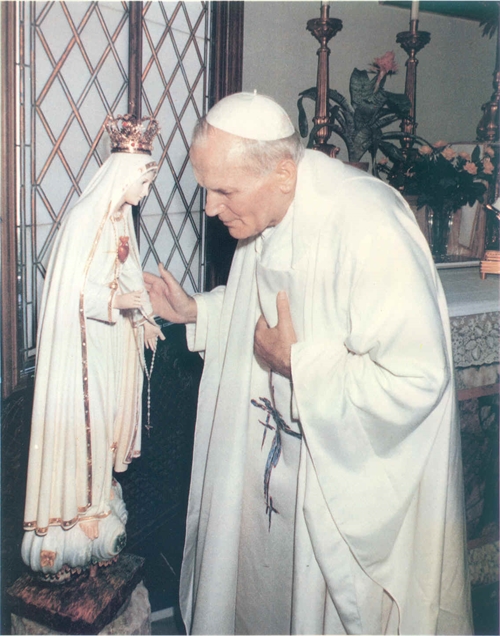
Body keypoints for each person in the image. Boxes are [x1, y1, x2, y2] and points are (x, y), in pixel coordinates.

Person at [145, 92, 472, 635]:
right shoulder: (268, 210)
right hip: (272, 477)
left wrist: (300, 363)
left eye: (223, 191)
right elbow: (264, 305)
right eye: (207, 189)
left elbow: (418, 380)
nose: (209, 208)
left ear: (282, 173)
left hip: (335, 489)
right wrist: (196, 310)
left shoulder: (369, 224)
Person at [22, 114, 164, 581]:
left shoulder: (122, 219)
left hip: (110, 345)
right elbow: (71, 294)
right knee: (84, 424)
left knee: (103, 428)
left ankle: (98, 503)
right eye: (143, 179)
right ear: (123, 176)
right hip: (80, 351)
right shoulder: (86, 219)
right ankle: (70, 518)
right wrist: (117, 301)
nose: (146, 190)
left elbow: (128, 276)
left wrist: (142, 318)